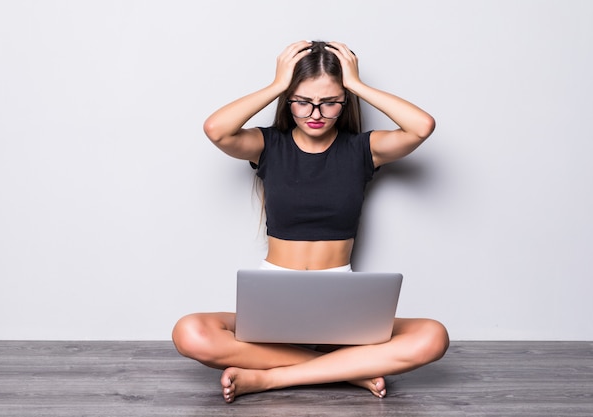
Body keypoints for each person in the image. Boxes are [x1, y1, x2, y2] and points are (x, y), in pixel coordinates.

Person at [172, 40, 449, 403]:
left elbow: (422, 126)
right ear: (289, 101)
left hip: (341, 305)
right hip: (273, 297)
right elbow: (216, 129)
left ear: (344, 100)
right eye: (302, 100)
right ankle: (348, 372)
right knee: (189, 332)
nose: (315, 112)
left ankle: (270, 379)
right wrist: (276, 86)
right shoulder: (268, 146)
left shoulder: (362, 150)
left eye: (330, 101)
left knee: (433, 337)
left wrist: (357, 84)